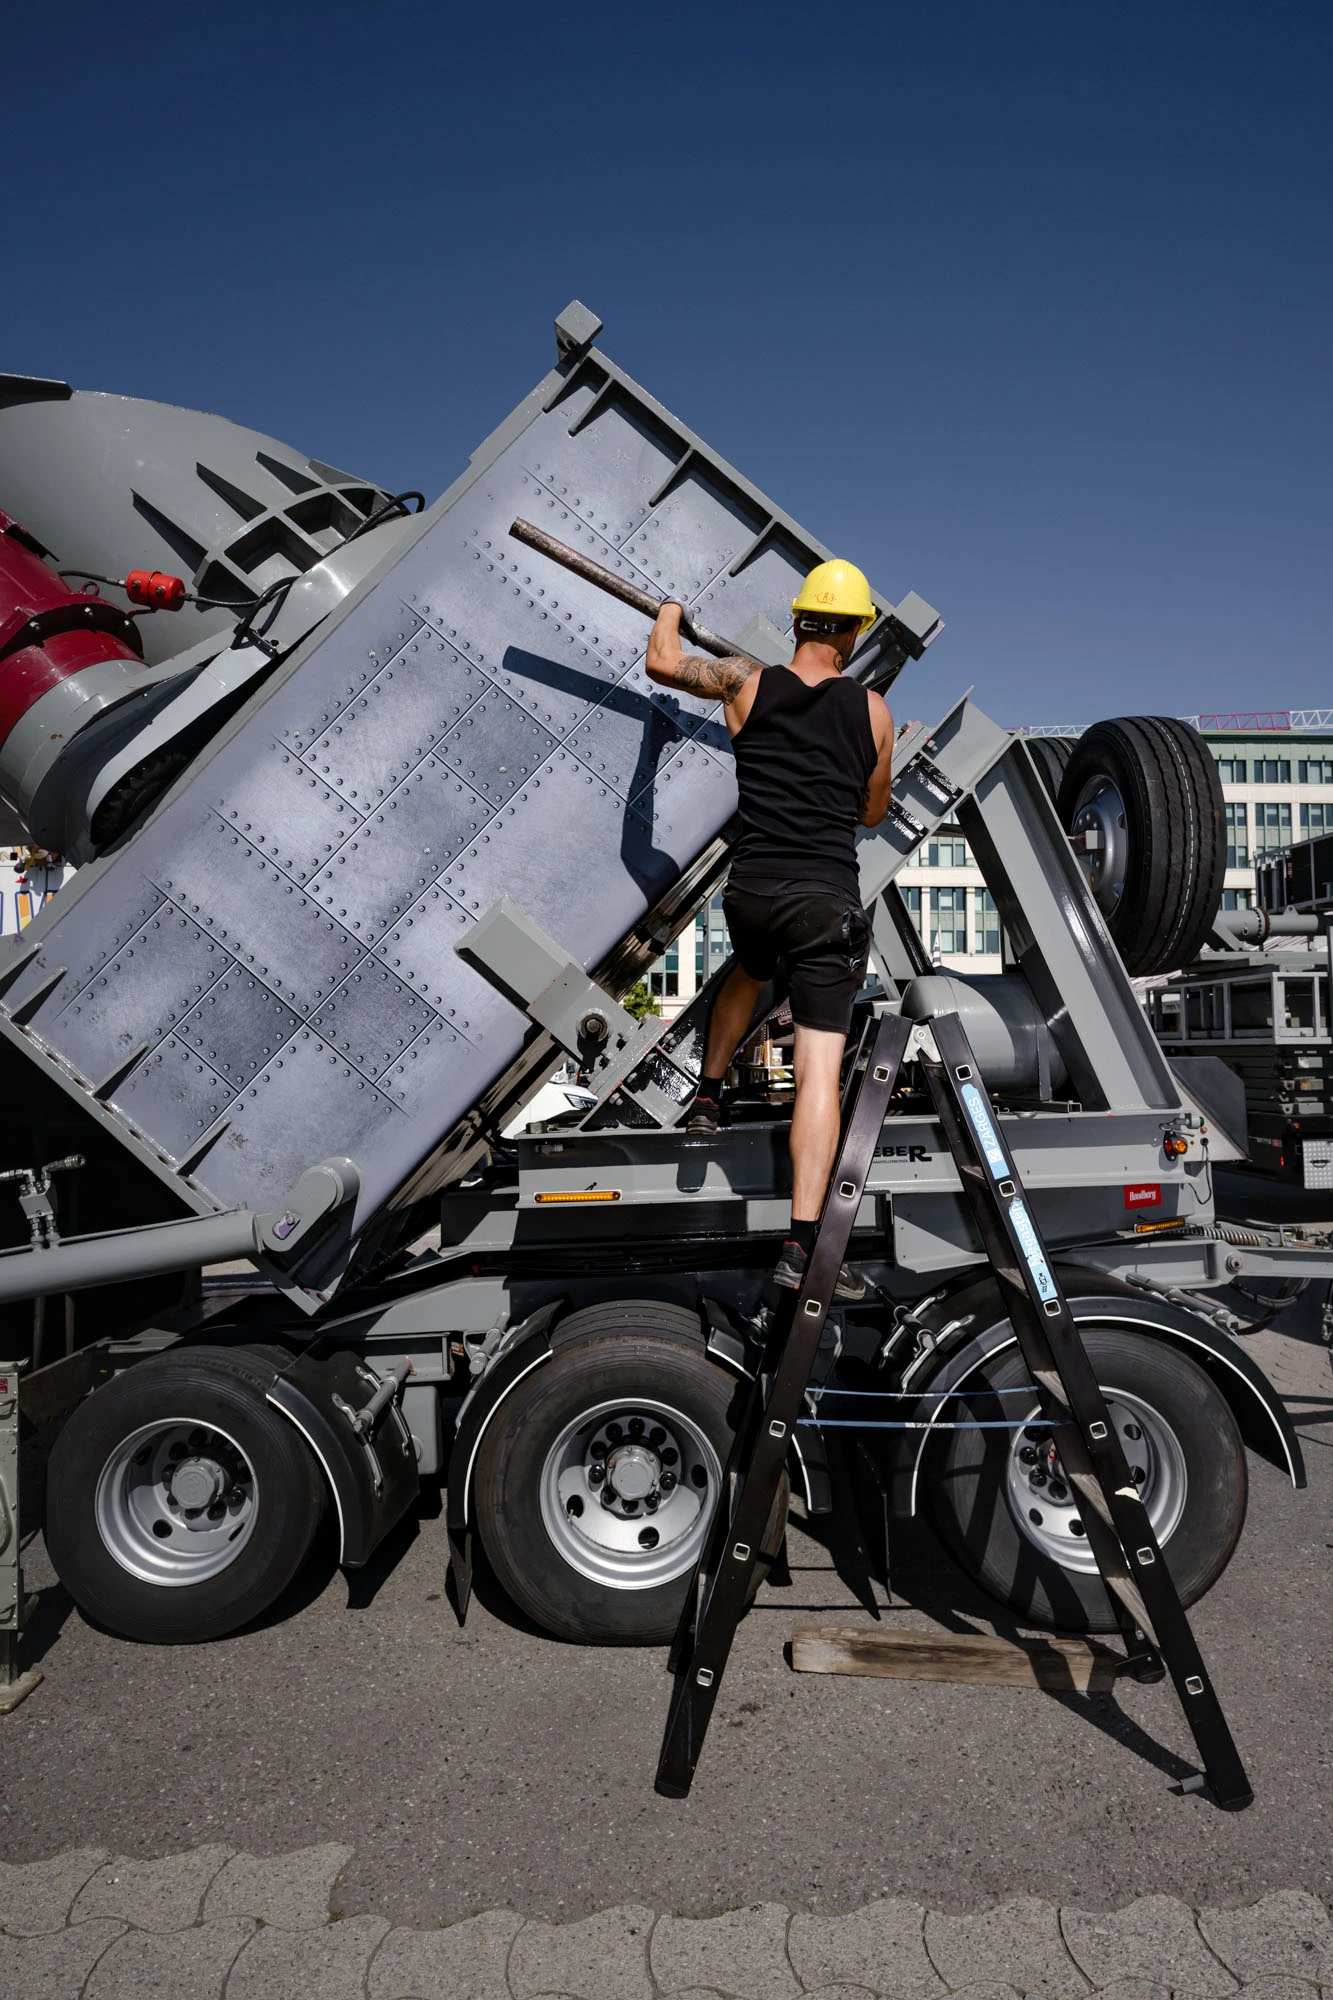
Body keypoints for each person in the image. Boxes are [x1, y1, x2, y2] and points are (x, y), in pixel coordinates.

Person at [645, 559, 894, 1300]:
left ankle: (708, 1097)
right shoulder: (873, 712)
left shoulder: (741, 683)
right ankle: (801, 1243)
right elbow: (871, 813)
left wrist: (669, 606)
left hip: (751, 891)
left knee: (747, 972)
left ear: (796, 621)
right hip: (823, 902)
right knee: (817, 1072)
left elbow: (661, 661)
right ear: (850, 633)